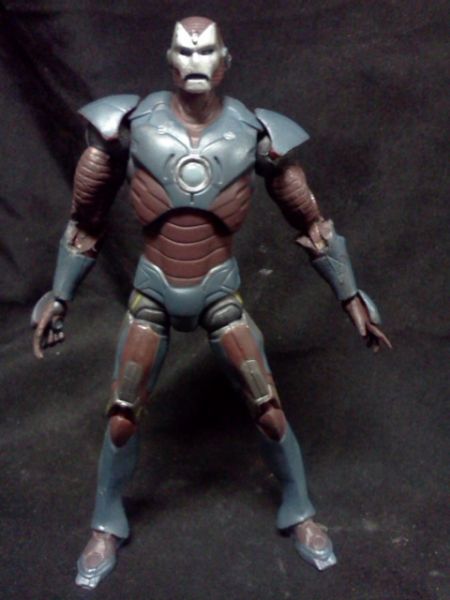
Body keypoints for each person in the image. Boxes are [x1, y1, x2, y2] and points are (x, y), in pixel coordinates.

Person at [32, 16, 391, 590]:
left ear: (225, 62)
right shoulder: (127, 126)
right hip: (152, 291)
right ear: (170, 59)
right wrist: (61, 294)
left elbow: (312, 223)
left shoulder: (257, 133)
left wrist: (351, 296)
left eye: (206, 52)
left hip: (219, 291)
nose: (195, 62)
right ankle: (106, 521)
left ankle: (299, 508)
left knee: (266, 403)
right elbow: (85, 222)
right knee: (123, 413)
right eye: (185, 50)